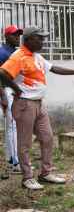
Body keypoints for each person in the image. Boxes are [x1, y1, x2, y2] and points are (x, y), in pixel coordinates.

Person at [0, 26, 74, 190]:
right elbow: (2, 73)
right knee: (24, 143)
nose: (43, 41)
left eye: (43, 38)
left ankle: (46, 173)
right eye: (39, 38)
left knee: (47, 138)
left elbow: (54, 68)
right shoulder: (18, 56)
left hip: (39, 104)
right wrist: (17, 89)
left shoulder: (36, 56)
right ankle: (27, 178)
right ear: (27, 40)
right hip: (25, 104)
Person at [0, 25, 23, 174]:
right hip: (6, 92)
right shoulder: (2, 52)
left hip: (12, 92)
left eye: (19, 35)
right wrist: (3, 96)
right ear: (6, 36)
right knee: (12, 126)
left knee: (11, 126)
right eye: (14, 35)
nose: (17, 38)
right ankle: (15, 163)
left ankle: (11, 160)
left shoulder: (14, 52)